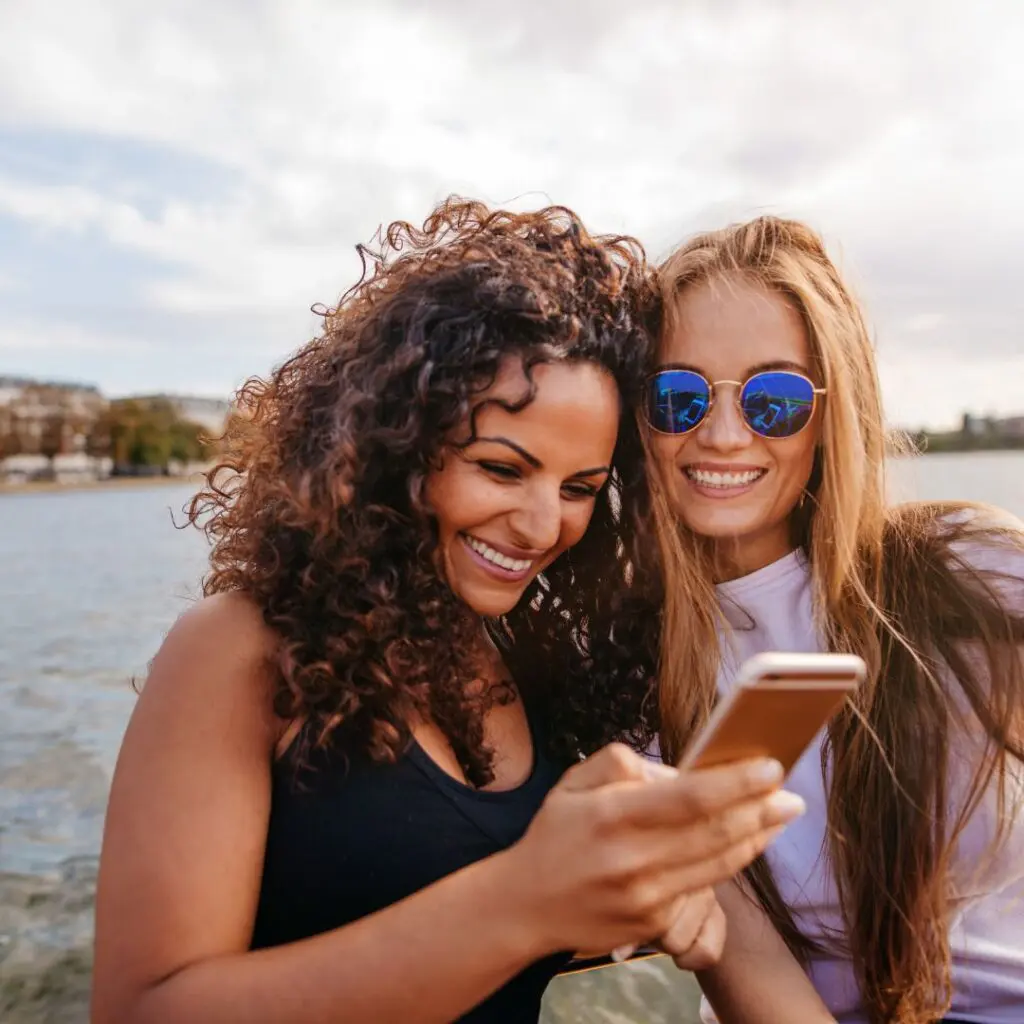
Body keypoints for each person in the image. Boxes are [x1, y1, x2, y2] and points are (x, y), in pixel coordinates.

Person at [90, 198, 807, 1024]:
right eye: (502, 470)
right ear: (398, 444)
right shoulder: (238, 650)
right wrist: (524, 902)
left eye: (579, 489)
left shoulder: (534, 662)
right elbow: (141, 1010)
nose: (545, 527)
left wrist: (646, 890)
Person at [641, 215, 1024, 1024]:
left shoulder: (962, 572)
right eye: (676, 396)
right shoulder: (629, 667)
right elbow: (742, 957)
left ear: (831, 413)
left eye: (772, 400)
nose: (719, 433)